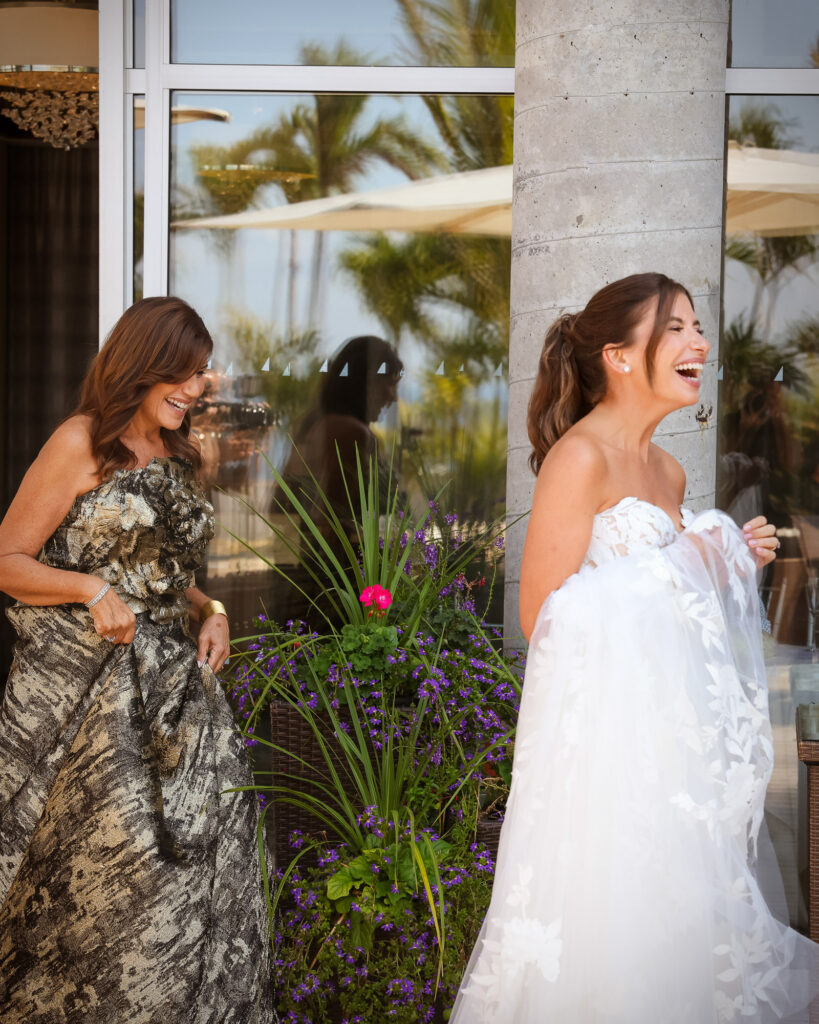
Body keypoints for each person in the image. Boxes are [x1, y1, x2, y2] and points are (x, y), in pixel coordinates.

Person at [451, 273, 819, 1023]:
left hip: (671, 746)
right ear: (618, 357)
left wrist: (721, 565)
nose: (699, 343)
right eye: (676, 327)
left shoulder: (668, 471)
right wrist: (689, 559)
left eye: (696, 327)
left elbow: (672, 608)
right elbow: (542, 616)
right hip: (606, 755)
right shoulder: (579, 458)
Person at [0, 297, 271, 1021]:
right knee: (101, 886)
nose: (195, 388)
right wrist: (90, 590)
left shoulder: (180, 454)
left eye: (201, 373)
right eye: (183, 372)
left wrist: (211, 610)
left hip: (173, 697)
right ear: (143, 365)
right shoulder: (81, 441)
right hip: (86, 701)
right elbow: (8, 559)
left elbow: (163, 574)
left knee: (189, 878)